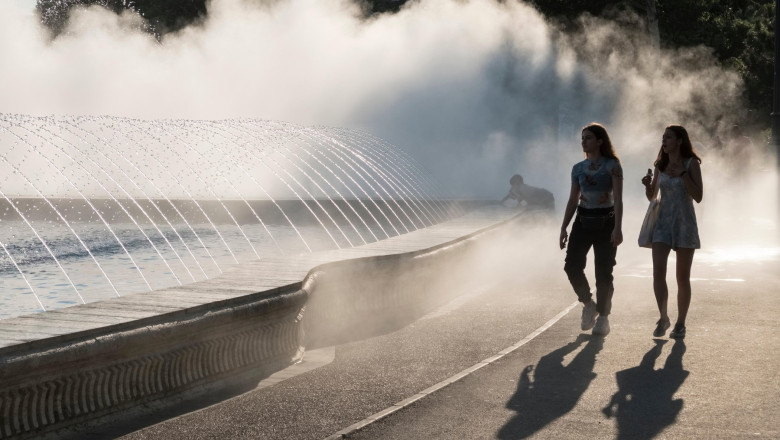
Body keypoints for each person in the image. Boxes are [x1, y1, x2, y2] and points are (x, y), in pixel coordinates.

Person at [559, 123, 623, 336]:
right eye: (582, 138)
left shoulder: (612, 165)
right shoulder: (578, 168)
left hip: (606, 222)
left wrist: (618, 228)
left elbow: (618, 199)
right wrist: (563, 227)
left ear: (599, 141)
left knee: (603, 272)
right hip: (582, 221)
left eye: (588, 138)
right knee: (572, 266)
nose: (583, 142)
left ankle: (603, 317)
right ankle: (588, 303)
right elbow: (573, 199)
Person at [641, 125, 702, 339]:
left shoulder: (691, 163)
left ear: (679, 141)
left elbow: (698, 196)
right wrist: (648, 186)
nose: (664, 141)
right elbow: (653, 197)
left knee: (682, 277)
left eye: (668, 137)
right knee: (658, 272)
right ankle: (663, 317)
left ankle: (680, 323)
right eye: (663, 138)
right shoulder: (661, 164)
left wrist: (684, 174)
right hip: (663, 222)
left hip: (684, 222)